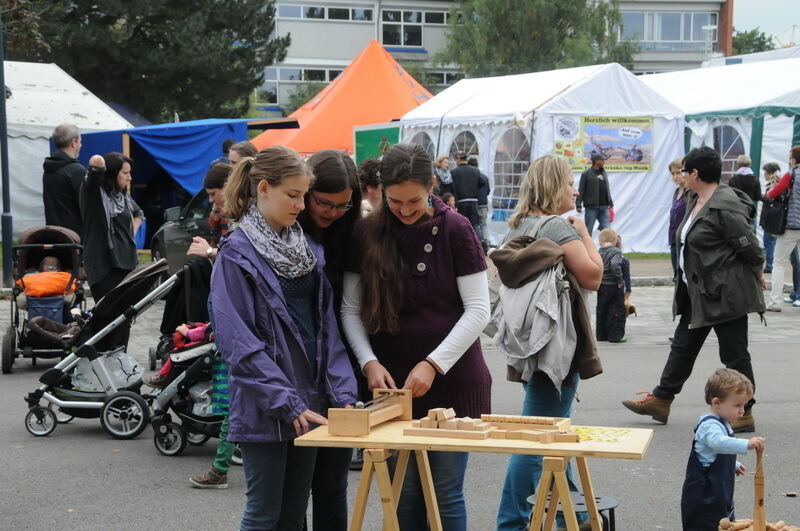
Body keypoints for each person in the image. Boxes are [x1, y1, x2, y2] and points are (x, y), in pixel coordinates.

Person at [341, 143, 491, 531]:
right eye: (395, 202)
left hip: (453, 383)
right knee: (403, 495)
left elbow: (478, 310)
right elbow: (350, 309)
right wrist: (368, 362)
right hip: (390, 389)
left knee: (444, 494)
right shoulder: (365, 233)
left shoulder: (456, 228)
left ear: (431, 186)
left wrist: (433, 363)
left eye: (414, 200)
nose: (405, 210)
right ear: (379, 191)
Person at [210, 146, 358, 530]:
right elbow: (237, 343)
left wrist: (342, 395)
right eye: (292, 195)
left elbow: (327, 333)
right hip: (267, 406)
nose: (300, 205)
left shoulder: (308, 249)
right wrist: (285, 401)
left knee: (293, 516)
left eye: (303, 195)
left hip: (309, 402)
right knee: (263, 516)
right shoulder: (236, 253)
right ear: (263, 188)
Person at [622, 147, 766, 433]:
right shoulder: (694, 198)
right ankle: (661, 400)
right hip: (697, 291)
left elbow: (747, 244)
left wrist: (759, 270)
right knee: (683, 348)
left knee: (734, 355)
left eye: (684, 171)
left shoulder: (724, 204)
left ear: (696, 173)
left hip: (726, 293)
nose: (681, 176)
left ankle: (744, 412)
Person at [495, 155, 603, 531]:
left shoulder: (520, 226)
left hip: (531, 342)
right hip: (558, 345)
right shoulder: (557, 227)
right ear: (555, 187)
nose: (575, 189)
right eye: (570, 183)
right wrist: (585, 231)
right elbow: (593, 275)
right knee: (536, 438)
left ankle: (576, 515)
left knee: (553, 428)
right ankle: (511, 522)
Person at [300, 149, 362, 531]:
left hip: (342, 370)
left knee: (332, 483)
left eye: (343, 205)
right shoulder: (290, 233)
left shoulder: (351, 235)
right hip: (299, 370)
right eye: (324, 203)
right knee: (293, 489)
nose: (332, 212)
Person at [681, 368, 765, 530]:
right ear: (717, 403)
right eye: (737, 405)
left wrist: (732, 464)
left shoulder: (722, 422)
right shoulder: (709, 425)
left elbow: (711, 455)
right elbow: (718, 443)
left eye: (744, 405)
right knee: (705, 525)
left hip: (718, 495)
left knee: (724, 523)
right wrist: (746, 444)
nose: (742, 410)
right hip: (704, 496)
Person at [81, 153, 145, 302]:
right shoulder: (94, 194)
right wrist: (100, 163)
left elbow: (139, 213)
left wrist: (132, 232)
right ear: (111, 173)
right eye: (125, 173)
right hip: (104, 267)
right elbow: (95, 164)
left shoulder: (122, 196)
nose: (130, 178)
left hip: (127, 265)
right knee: (109, 317)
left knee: (124, 319)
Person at [765, 145, 800, 312]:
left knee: (779, 263)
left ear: (794, 159)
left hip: (792, 226)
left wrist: (767, 193)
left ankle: (774, 302)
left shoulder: (791, 174)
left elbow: (774, 193)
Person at [43, 124, 85, 237]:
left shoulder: (49, 168)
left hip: (53, 233)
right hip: (76, 238)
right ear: (73, 142)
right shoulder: (76, 170)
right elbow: (87, 207)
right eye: (80, 141)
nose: (81, 145)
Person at [596, 228, 627, 343]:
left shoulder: (599, 252)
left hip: (602, 285)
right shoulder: (616, 252)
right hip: (614, 285)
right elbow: (615, 264)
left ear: (600, 241)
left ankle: (601, 335)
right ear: (615, 240)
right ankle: (615, 335)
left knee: (602, 310)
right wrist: (619, 279)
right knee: (616, 310)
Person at [576, 153, 613, 237]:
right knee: (587, 232)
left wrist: (611, 203)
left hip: (604, 207)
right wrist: (578, 204)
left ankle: (607, 249)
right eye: (602, 160)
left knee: (607, 232)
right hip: (591, 208)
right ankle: (587, 249)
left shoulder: (604, 172)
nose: (604, 161)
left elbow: (607, 189)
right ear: (596, 161)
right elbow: (581, 190)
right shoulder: (586, 174)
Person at [450, 151, 482, 239]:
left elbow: (452, 188)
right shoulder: (475, 170)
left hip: (461, 201)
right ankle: (480, 244)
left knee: (462, 225)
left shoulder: (454, 172)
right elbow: (482, 182)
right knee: (475, 225)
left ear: (458, 159)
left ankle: (463, 243)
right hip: (473, 201)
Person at [760, 162, 782, 273]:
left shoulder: (774, 182)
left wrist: (762, 197)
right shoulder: (777, 181)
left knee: (768, 241)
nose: (764, 174)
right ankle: (770, 264)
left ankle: (769, 265)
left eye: (765, 172)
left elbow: (772, 199)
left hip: (771, 217)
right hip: (772, 216)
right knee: (770, 241)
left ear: (770, 172)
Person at [728, 154, 761, 228]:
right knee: (750, 234)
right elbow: (757, 197)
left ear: (739, 164)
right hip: (750, 211)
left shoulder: (733, 179)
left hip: (737, 211)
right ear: (749, 164)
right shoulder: (755, 179)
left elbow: (729, 196)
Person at [667, 157, 688, 277]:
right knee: (677, 274)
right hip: (674, 237)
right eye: (673, 173)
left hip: (685, 239)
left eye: (678, 172)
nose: (675, 176)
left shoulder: (691, 192)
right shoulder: (676, 192)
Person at [468, 156, 491, 249]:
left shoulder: (471, 177)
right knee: (484, 225)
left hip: (474, 203)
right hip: (484, 204)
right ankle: (487, 243)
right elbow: (488, 191)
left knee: (474, 224)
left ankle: (476, 244)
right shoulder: (485, 177)